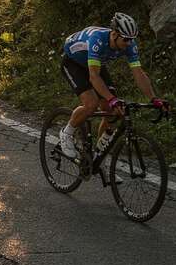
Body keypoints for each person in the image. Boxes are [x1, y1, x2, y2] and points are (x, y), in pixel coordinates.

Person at [57, 12, 168, 159]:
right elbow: (94, 77)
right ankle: (67, 132)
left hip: (95, 63)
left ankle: (99, 156)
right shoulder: (97, 40)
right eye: (126, 39)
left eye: (132, 39)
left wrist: (154, 99)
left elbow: (139, 73)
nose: (129, 43)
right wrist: (111, 98)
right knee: (91, 104)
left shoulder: (129, 45)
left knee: (113, 111)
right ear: (114, 34)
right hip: (73, 63)